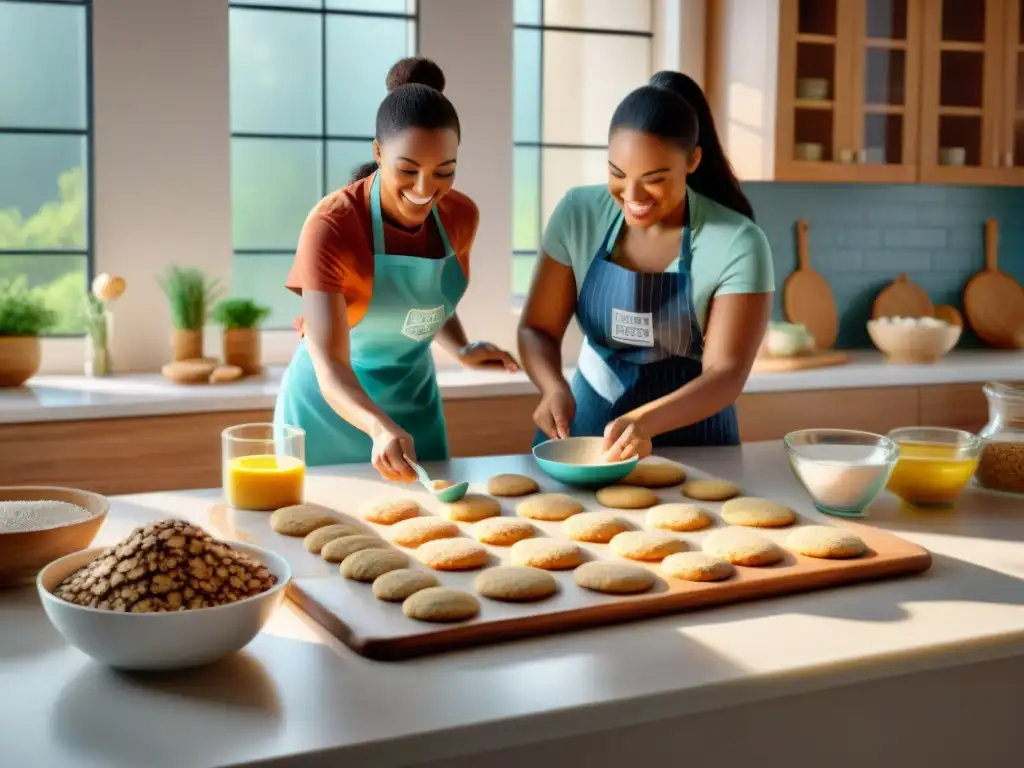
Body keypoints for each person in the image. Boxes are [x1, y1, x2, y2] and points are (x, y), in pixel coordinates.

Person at [274, 56, 518, 481]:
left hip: (413, 400)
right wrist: (377, 426)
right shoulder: (331, 226)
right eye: (408, 170)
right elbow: (329, 365)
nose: (426, 190)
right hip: (330, 408)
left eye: (445, 172)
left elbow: (426, 301)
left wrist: (461, 349)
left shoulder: (461, 216)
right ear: (378, 151)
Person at [517, 71, 773, 461]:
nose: (632, 195)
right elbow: (537, 328)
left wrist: (645, 422)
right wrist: (552, 387)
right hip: (587, 434)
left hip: (697, 445)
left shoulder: (737, 241)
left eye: (653, 179)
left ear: (693, 161)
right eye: (617, 174)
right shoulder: (578, 213)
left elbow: (726, 374)